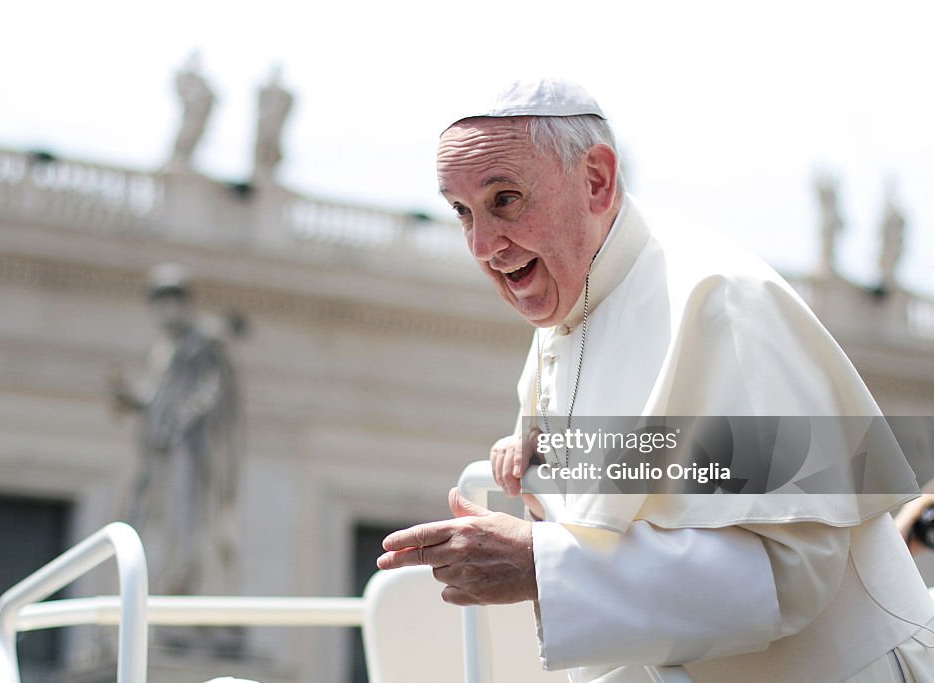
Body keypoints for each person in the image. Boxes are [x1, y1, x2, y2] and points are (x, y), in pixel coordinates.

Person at [377, 79, 934, 682]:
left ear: (596, 179)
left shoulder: (722, 303)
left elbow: (793, 567)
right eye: (462, 212)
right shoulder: (569, 308)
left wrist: (540, 565)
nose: (483, 246)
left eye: (505, 199)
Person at [111, 263, 242, 599]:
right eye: (160, 300)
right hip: (156, 451)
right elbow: (156, 395)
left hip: (188, 449)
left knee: (186, 523)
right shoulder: (162, 349)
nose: (167, 308)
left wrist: (185, 420)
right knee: (145, 518)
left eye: (173, 299)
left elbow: (212, 391)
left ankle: (184, 584)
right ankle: (155, 589)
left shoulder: (202, 343)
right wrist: (132, 398)